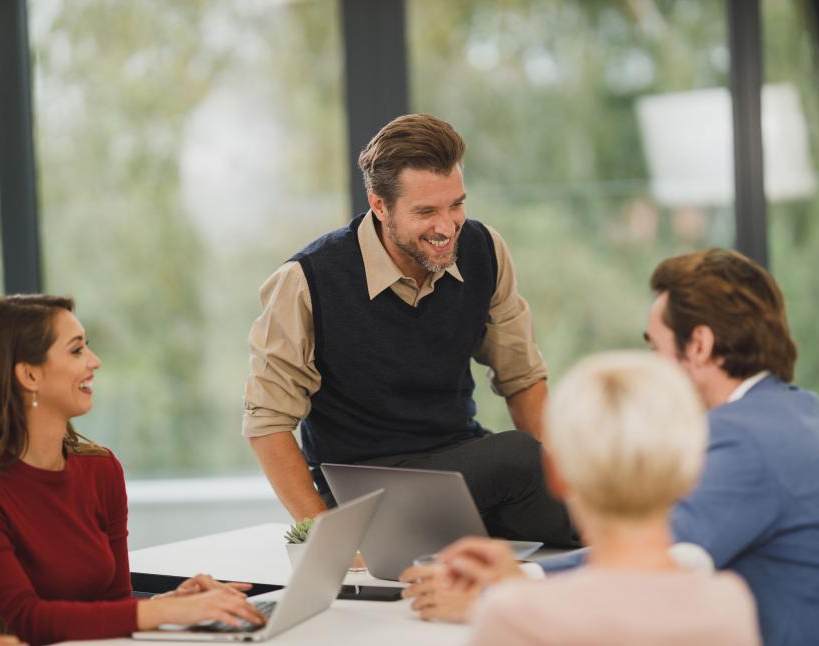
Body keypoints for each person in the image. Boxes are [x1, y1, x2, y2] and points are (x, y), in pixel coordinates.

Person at [405, 249, 819, 646]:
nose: (654, 368)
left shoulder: (745, 436)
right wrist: (519, 572)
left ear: (698, 345)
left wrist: (504, 588)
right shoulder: (791, 409)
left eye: (656, 347)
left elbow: (658, 563)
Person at [243, 113, 575, 546]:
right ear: (379, 205)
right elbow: (266, 423)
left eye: (455, 204)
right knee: (517, 457)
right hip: (366, 487)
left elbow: (523, 379)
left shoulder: (484, 250)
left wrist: (566, 483)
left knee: (588, 500)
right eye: (426, 212)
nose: (446, 227)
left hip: (460, 469)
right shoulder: (307, 280)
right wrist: (329, 537)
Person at [0, 296, 266, 645]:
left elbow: (114, 604)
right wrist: (166, 614)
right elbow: (26, 620)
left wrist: (172, 603)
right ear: (29, 374)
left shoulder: (100, 470)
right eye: (76, 351)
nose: (94, 362)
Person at [423, 352, 760, 645]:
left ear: (555, 475)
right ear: (691, 474)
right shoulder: (730, 605)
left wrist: (514, 591)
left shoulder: (512, 616)